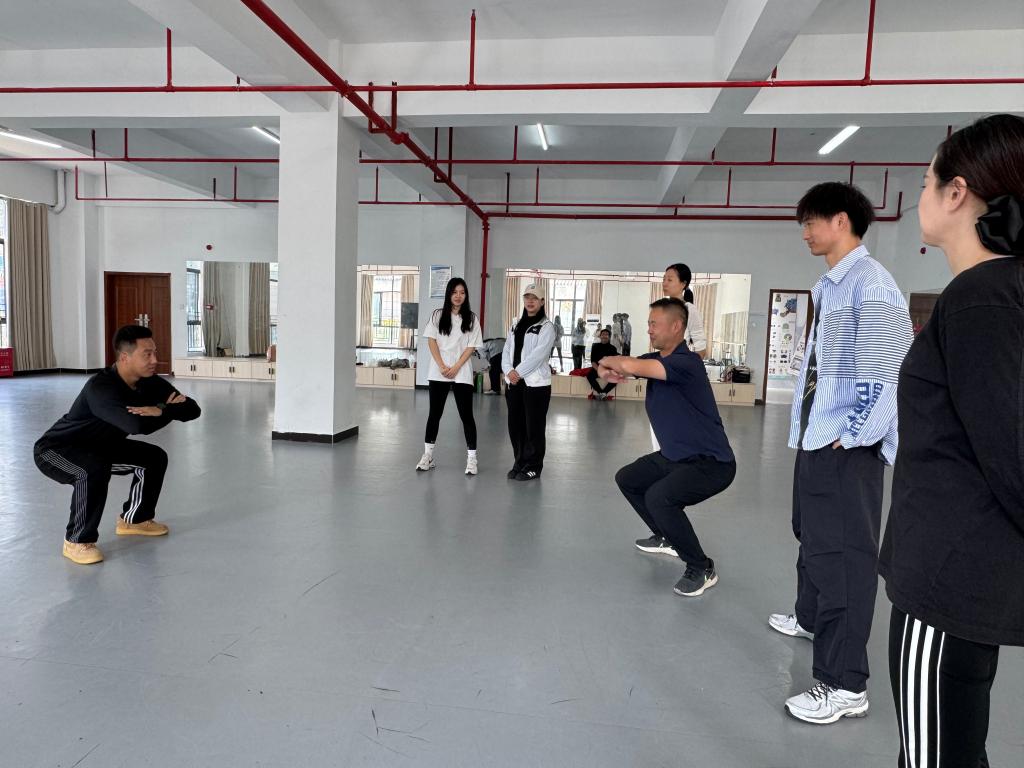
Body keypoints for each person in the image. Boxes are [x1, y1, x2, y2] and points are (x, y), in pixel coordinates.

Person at [878, 114, 1024, 766]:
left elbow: (1013, 453)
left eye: (926, 181)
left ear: (957, 192)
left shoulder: (981, 299)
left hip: (949, 586)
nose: (920, 196)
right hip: (961, 576)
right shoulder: (994, 294)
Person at [768, 181, 913, 725]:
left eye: (812, 221)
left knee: (845, 562)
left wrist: (851, 434)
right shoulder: (833, 284)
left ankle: (845, 684)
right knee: (810, 534)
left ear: (842, 221)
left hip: (845, 447)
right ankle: (810, 618)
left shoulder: (871, 285)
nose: (805, 232)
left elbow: (887, 375)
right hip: (818, 435)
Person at [33, 325, 201, 565]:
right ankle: (77, 541)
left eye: (155, 352)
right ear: (125, 357)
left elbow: (192, 409)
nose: (155, 360)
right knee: (91, 470)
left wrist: (161, 409)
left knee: (154, 458)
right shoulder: (101, 388)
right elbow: (136, 425)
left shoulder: (150, 382)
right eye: (147, 354)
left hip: (102, 446)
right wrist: (166, 410)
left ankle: (135, 519)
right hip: (57, 449)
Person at [607, 298, 736, 597]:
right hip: (676, 456)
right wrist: (610, 370)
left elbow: (630, 365)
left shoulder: (686, 363)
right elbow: (631, 367)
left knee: (659, 498)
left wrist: (615, 364)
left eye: (654, 323)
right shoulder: (657, 359)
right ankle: (666, 536)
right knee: (628, 479)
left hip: (711, 463)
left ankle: (701, 567)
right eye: (648, 323)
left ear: (676, 326)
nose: (649, 329)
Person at [416, 277, 483, 475]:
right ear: (449, 294)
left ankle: (472, 458)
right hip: (439, 370)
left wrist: (456, 367)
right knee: (434, 414)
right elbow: (431, 341)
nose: (458, 296)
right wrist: (442, 365)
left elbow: (471, 346)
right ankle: (428, 456)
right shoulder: (437, 315)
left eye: (462, 292)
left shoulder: (471, 318)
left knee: (466, 416)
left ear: (466, 295)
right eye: (454, 292)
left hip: (461, 370)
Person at [502, 283, 556, 481]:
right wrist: (508, 371)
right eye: (527, 297)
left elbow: (538, 356)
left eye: (534, 298)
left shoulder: (546, 327)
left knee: (534, 427)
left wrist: (517, 372)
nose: (530, 301)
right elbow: (507, 350)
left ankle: (533, 466)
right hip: (514, 384)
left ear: (542, 302)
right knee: (515, 426)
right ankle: (519, 462)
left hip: (536, 386)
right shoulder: (516, 324)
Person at [662, 263, 707, 359]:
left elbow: (701, 348)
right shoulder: (663, 308)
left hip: (679, 362)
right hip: (664, 361)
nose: (664, 283)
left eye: (669, 280)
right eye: (664, 279)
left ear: (683, 284)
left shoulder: (689, 309)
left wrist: (689, 365)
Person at [586, 328, 618, 400]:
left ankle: (604, 392)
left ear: (609, 337)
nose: (604, 336)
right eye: (603, 334)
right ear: (600, 336)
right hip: (597, 368)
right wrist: (599, 371)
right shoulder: (595, 346)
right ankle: (600, 392)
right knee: (590, 376)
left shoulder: (613, 348)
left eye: (606, 335)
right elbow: (593, 361)